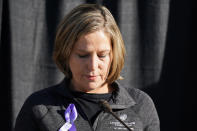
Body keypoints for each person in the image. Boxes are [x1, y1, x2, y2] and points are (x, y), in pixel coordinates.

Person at [14, 4, 160, 131]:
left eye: (102, 55)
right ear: (66, 54)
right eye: (83, 55)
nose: (92, 65)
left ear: (114, 55)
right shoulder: (39, 106)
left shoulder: (140, 104)